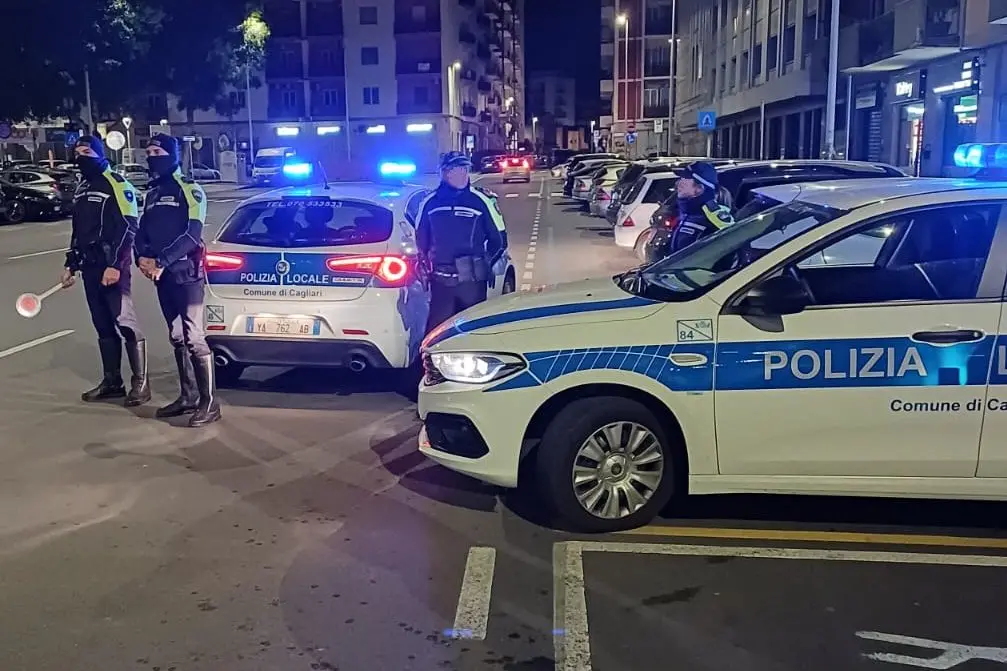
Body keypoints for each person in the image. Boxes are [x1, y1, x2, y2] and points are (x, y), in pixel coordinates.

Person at [135, 134, 220, 427]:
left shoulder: (190, 189)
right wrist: (142, 258)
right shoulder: (153, 193)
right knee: (176, 336)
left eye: (157, 151)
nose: (151, 156)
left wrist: (162, 261)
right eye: (148, 151)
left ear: (171, 155)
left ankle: (209, 403)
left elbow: (192, 235)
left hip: (186, 274)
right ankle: (188, 396)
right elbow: (142, 230)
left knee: (194, 336)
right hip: (163, 276)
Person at [62, 135, 150, 407]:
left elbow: (128, 226)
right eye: (77, 152)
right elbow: (79, 231)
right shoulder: (83, 187)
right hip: (89, 266)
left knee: (125, 323)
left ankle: (141, 383)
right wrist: (70, 263)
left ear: (100, 153)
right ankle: (112, 382)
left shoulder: (117, 183)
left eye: (87, 151)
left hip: (112, 266)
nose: (80, 156)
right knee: (102, 326)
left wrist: (115, 265)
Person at [416, 151, 504, 332]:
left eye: (465, 169)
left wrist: (484, 264)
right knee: (437, 336)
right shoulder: (429, 203)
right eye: (456, 169)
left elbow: (500, 240)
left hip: (472, 284)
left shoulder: (481, 201)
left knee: (473, 334)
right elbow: (421, 240)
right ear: (445, 173)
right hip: (441, 283)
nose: (462, 174)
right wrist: (427, 265)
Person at [667, 161, 735, 254]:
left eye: (685, 179)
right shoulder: (688, 212)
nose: (679, 184)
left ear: (699, 188)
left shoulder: (713, 218)